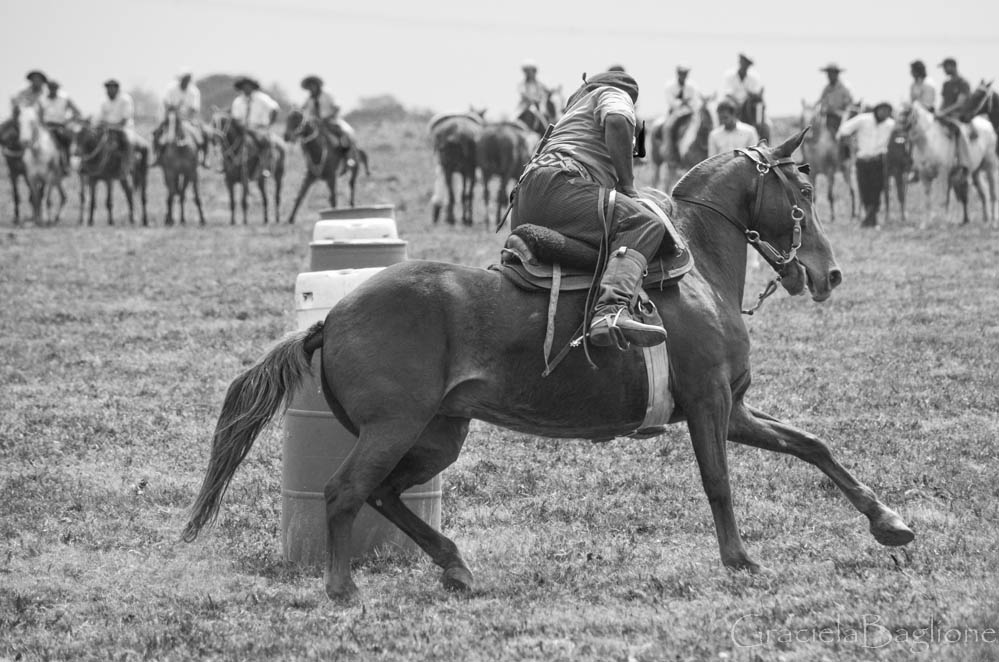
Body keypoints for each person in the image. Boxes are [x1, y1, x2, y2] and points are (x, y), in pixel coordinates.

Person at [511, 70, 669, 349]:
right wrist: (628, 186)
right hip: (562, 186)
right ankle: (611, 310)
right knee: (643, 224)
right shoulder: (611, 93)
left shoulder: (568, 120)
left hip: (525, 199)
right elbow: (618, 121)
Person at [836, 101, 895, 227]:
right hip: (862, 160)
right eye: (882, 110)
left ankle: (870, 218)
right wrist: (850, 143)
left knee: (877, 190)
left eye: (887, 111)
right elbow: (844, 129)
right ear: (877, 110)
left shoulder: (890, 124)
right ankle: (869, 218)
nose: (884, 113)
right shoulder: (863, 119)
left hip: (879, 161)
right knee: (864, 189)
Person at [154, 69, 208, 167]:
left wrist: (184, 114)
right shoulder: (171, 88)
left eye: (187, 79)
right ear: (180, 79)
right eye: (184, 79)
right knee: (157, 133)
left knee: (203, 134)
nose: (185, 81)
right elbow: (167, 104)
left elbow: (194, 109)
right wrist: (174, 111)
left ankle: (203, 158)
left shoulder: (194, 91)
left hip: (188, 119)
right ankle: (158, 157)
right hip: (171, 118)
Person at [230, 76, 280, 177]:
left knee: (267, 142)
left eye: (248, 86)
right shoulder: (238, 101)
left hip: (259, 128)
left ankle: (266, 166)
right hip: (243, 128)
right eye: (244, 87)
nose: (246, 89)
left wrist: (270, 124)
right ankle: (227, 165)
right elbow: (235, 117)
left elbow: (275, 109)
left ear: (253, 87)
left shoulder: (262, 98)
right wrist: (241, 127)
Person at [936, 57, 973, 174]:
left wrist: (944, 112)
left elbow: (960, 103)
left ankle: (963, 162)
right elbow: (943, 101)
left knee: (957, 130)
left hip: (959, 116)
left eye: (945, 67)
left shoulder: (963, 83)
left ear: (952, 66)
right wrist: (938, 113)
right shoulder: (946, 84)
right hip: (945, 115)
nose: (944, 70)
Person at [299, 75, 356, 150]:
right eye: (310, 86)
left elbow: (337, 107)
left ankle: (346, 153)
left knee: (344, 133)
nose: (311, 88)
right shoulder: (309, 99)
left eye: (313, 85)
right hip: (315, 123)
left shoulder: (327, 95)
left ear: (317, 86)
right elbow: (302, 109)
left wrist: (329, 116)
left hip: (330, 121)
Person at [39, 79, 82, 170]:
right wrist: (43, 126)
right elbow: (39, 116)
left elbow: (77, 112)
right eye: (51, 88)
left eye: (55, 88)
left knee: (66, 141)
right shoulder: (42, 99)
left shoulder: (64, 98)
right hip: (46, 127)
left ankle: (66, 164)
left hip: (60, 127)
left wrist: (68, 121)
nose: (53, 90)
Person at [662, 65, 702, 160]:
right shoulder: (670, 86)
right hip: (675, 113)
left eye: (685, 73)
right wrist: (682, 102)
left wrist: (689, 104)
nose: (683, 75)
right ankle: (669, 151)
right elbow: (671, 101)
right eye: (681, 73)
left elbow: (695, 101)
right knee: (668, 127)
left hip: (689, 113)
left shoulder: (692, 86)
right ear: (678, 73)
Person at [97, 79, 137, 168]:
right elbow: (101, 117)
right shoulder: (103, 101)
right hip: (107, 129)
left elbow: (125, 119)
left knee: (129, 141)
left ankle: (129, 165)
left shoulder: (125, 99)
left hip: (124, 129)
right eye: (108, 88)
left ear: (117, 89)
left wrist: (111, 125)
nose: (109, 90)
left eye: (112, 88)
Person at [816, 64, 853, 131]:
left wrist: (837, 112)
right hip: (828, 118)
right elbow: (821, 101)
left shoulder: (844, 88)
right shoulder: (826, 89)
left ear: (836, 74)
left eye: (831, 73)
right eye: (828, 73)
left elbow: (849, 104)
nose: (829, 76)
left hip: (841, 118)